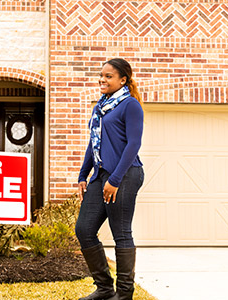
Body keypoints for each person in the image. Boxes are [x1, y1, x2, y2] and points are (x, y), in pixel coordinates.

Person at [75, 58, 145, 300]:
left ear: (122, 80)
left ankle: (124, 294)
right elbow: (94, 144)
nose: (101, 80)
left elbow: (133, 144)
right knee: (84, 229)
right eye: (101, 75)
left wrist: (115, 179)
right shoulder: (101, 107)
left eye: (108, 76)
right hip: (101, 175)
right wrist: (83, 174)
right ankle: (105, 288)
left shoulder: (130, 105)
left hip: (125, 175)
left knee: (121, 232)